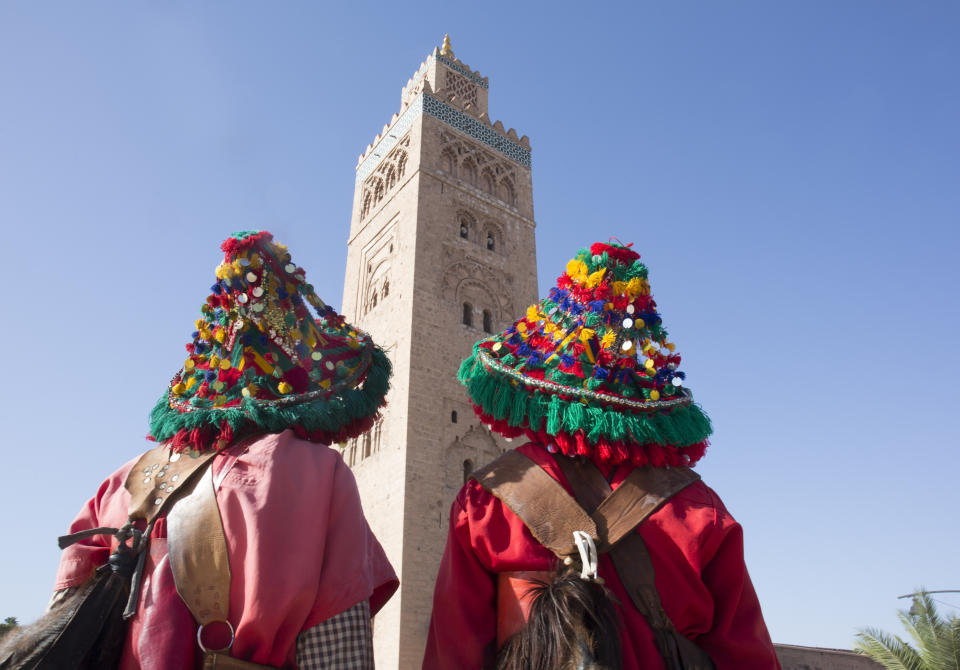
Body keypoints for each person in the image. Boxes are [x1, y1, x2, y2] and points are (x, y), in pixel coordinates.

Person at [423, 241, 781, 670]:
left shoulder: (488, 501)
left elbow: (454, 653)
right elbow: (747, 656)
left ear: (545, 389)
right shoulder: (700, 511)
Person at [49, 231, 397, 669]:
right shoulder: (315, 474)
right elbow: (337, 649)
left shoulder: (119, 484)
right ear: (297, 380)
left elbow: (60, 628)